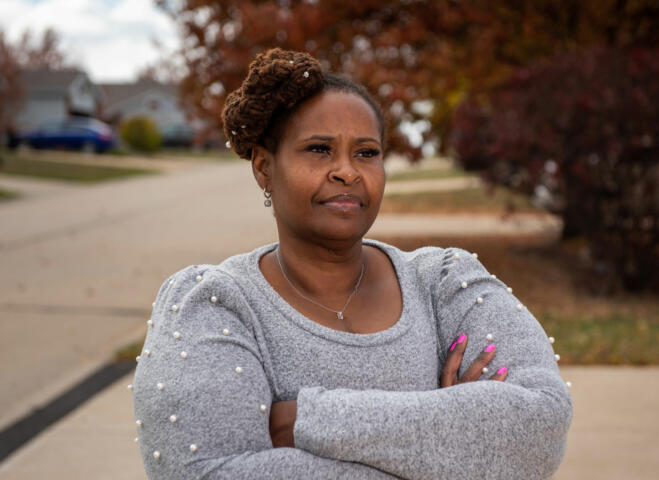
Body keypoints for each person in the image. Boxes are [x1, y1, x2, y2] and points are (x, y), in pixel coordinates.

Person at [132, 47, 573, 479]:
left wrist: (304, 419)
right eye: (320, 149)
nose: (348, 171)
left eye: (366, 152)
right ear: (265, 168)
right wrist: (452, 444)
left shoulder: (444, 282)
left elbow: (542, 428)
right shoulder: (215, 303)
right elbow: (204, 473)